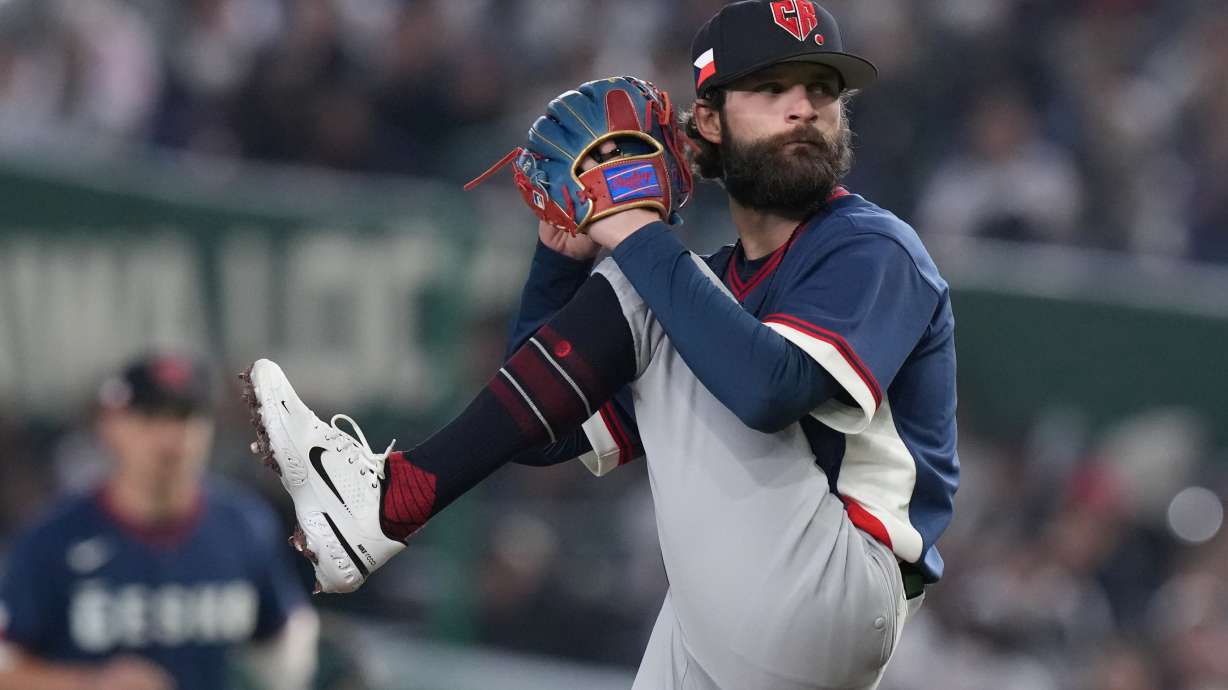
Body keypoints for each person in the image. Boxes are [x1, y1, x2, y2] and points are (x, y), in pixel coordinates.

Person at [244, 2, 957, 688]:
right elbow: (543, 432)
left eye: (823, 90)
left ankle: (390, 502)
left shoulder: (872, 247)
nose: (805, 106)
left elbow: (770, 389)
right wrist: (558, 263)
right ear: (706, 120)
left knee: (657, 293)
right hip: (731, 621)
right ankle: (386, 503)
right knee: (660, 294)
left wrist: (630, 229)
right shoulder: (701, 283)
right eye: (772, 88)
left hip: (834, 584)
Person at [0, 354, 318, 690]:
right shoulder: (55, 538)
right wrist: (88, 684)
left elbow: (283, 637)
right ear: (111, 426)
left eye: (184, 417)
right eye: (149, 417)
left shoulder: (245, 526)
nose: (169, 439)